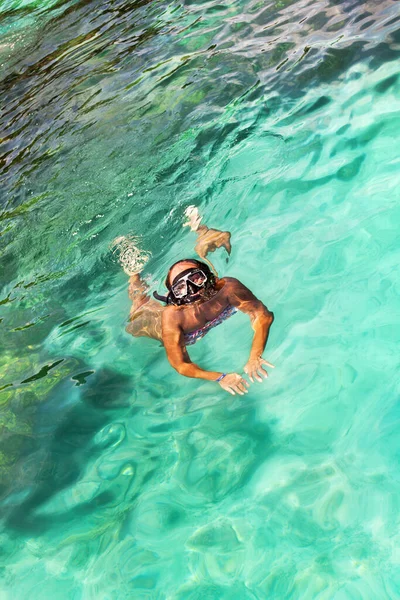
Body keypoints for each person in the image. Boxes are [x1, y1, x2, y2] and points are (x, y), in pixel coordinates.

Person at [113, 207, 274, 396]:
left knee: (218, 244)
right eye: (181, 287)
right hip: (155, 321)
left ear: (207, 275)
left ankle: (203, 232)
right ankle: (133, 274)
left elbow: (261, 315)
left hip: (205, 299)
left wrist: (255, 355)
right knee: (138, 310)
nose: (193, 289)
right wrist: (220, 377)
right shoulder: (173, 316)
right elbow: (181, 365)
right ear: (174, 296)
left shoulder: (227, 289)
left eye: (196, 278)